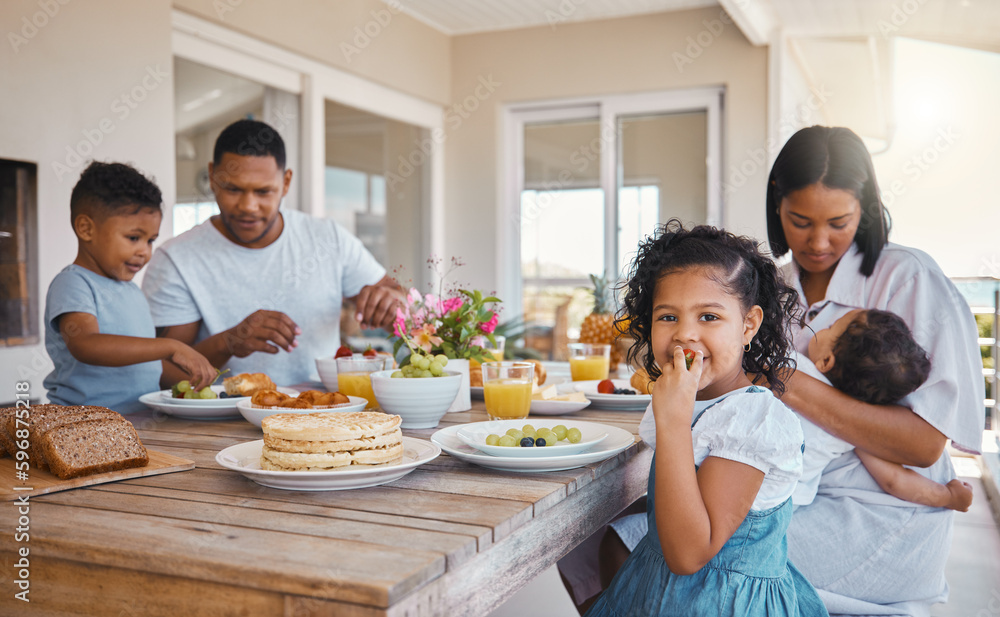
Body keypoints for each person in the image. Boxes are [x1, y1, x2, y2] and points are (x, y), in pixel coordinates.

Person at [770, 125, 984, 615]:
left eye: (839, 221)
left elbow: (924, 443)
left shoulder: (908, 277)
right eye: (799, 221)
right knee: (627, 529)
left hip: (883, 517)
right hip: (798, 494)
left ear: (866, 206)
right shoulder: (773, 288)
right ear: (776, 202)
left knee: (656, 548)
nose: (819, 241)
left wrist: (788, 384)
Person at [584, 221, 827, 616]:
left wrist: (675, 423)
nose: (685, 335)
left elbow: (689, 554)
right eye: (667, 317)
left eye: (709, 317)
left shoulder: (753, 419)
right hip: (655, 590)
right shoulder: (681, 400)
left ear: (748, 325)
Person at [142, 119, 405, 386]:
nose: (248, 206)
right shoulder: (176, 260)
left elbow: (402, 305)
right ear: (212, 177)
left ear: (286, 182)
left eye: (264, 191)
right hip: (223, 423)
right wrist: (228, 342)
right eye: (233, 189)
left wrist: (392, 302)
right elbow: (163, 375)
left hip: (328, 412)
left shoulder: (328, 238)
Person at [43, 162, 217, 413]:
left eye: (151, 240)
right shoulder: (73, 283)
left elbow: (145, 366)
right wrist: (171, 347)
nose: (144, 251)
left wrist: (192, 384)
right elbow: (86, 345)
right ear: (86, 228)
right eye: (133, 238)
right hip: (82, 424)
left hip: (139, 423)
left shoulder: (133, 292)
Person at [793, 308, 972, 512]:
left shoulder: (791, 365)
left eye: (831, 328)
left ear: (826, 361)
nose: (822, 328)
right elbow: (894, 481)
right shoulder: (854, 431)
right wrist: (949, 497)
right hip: (776, 504)